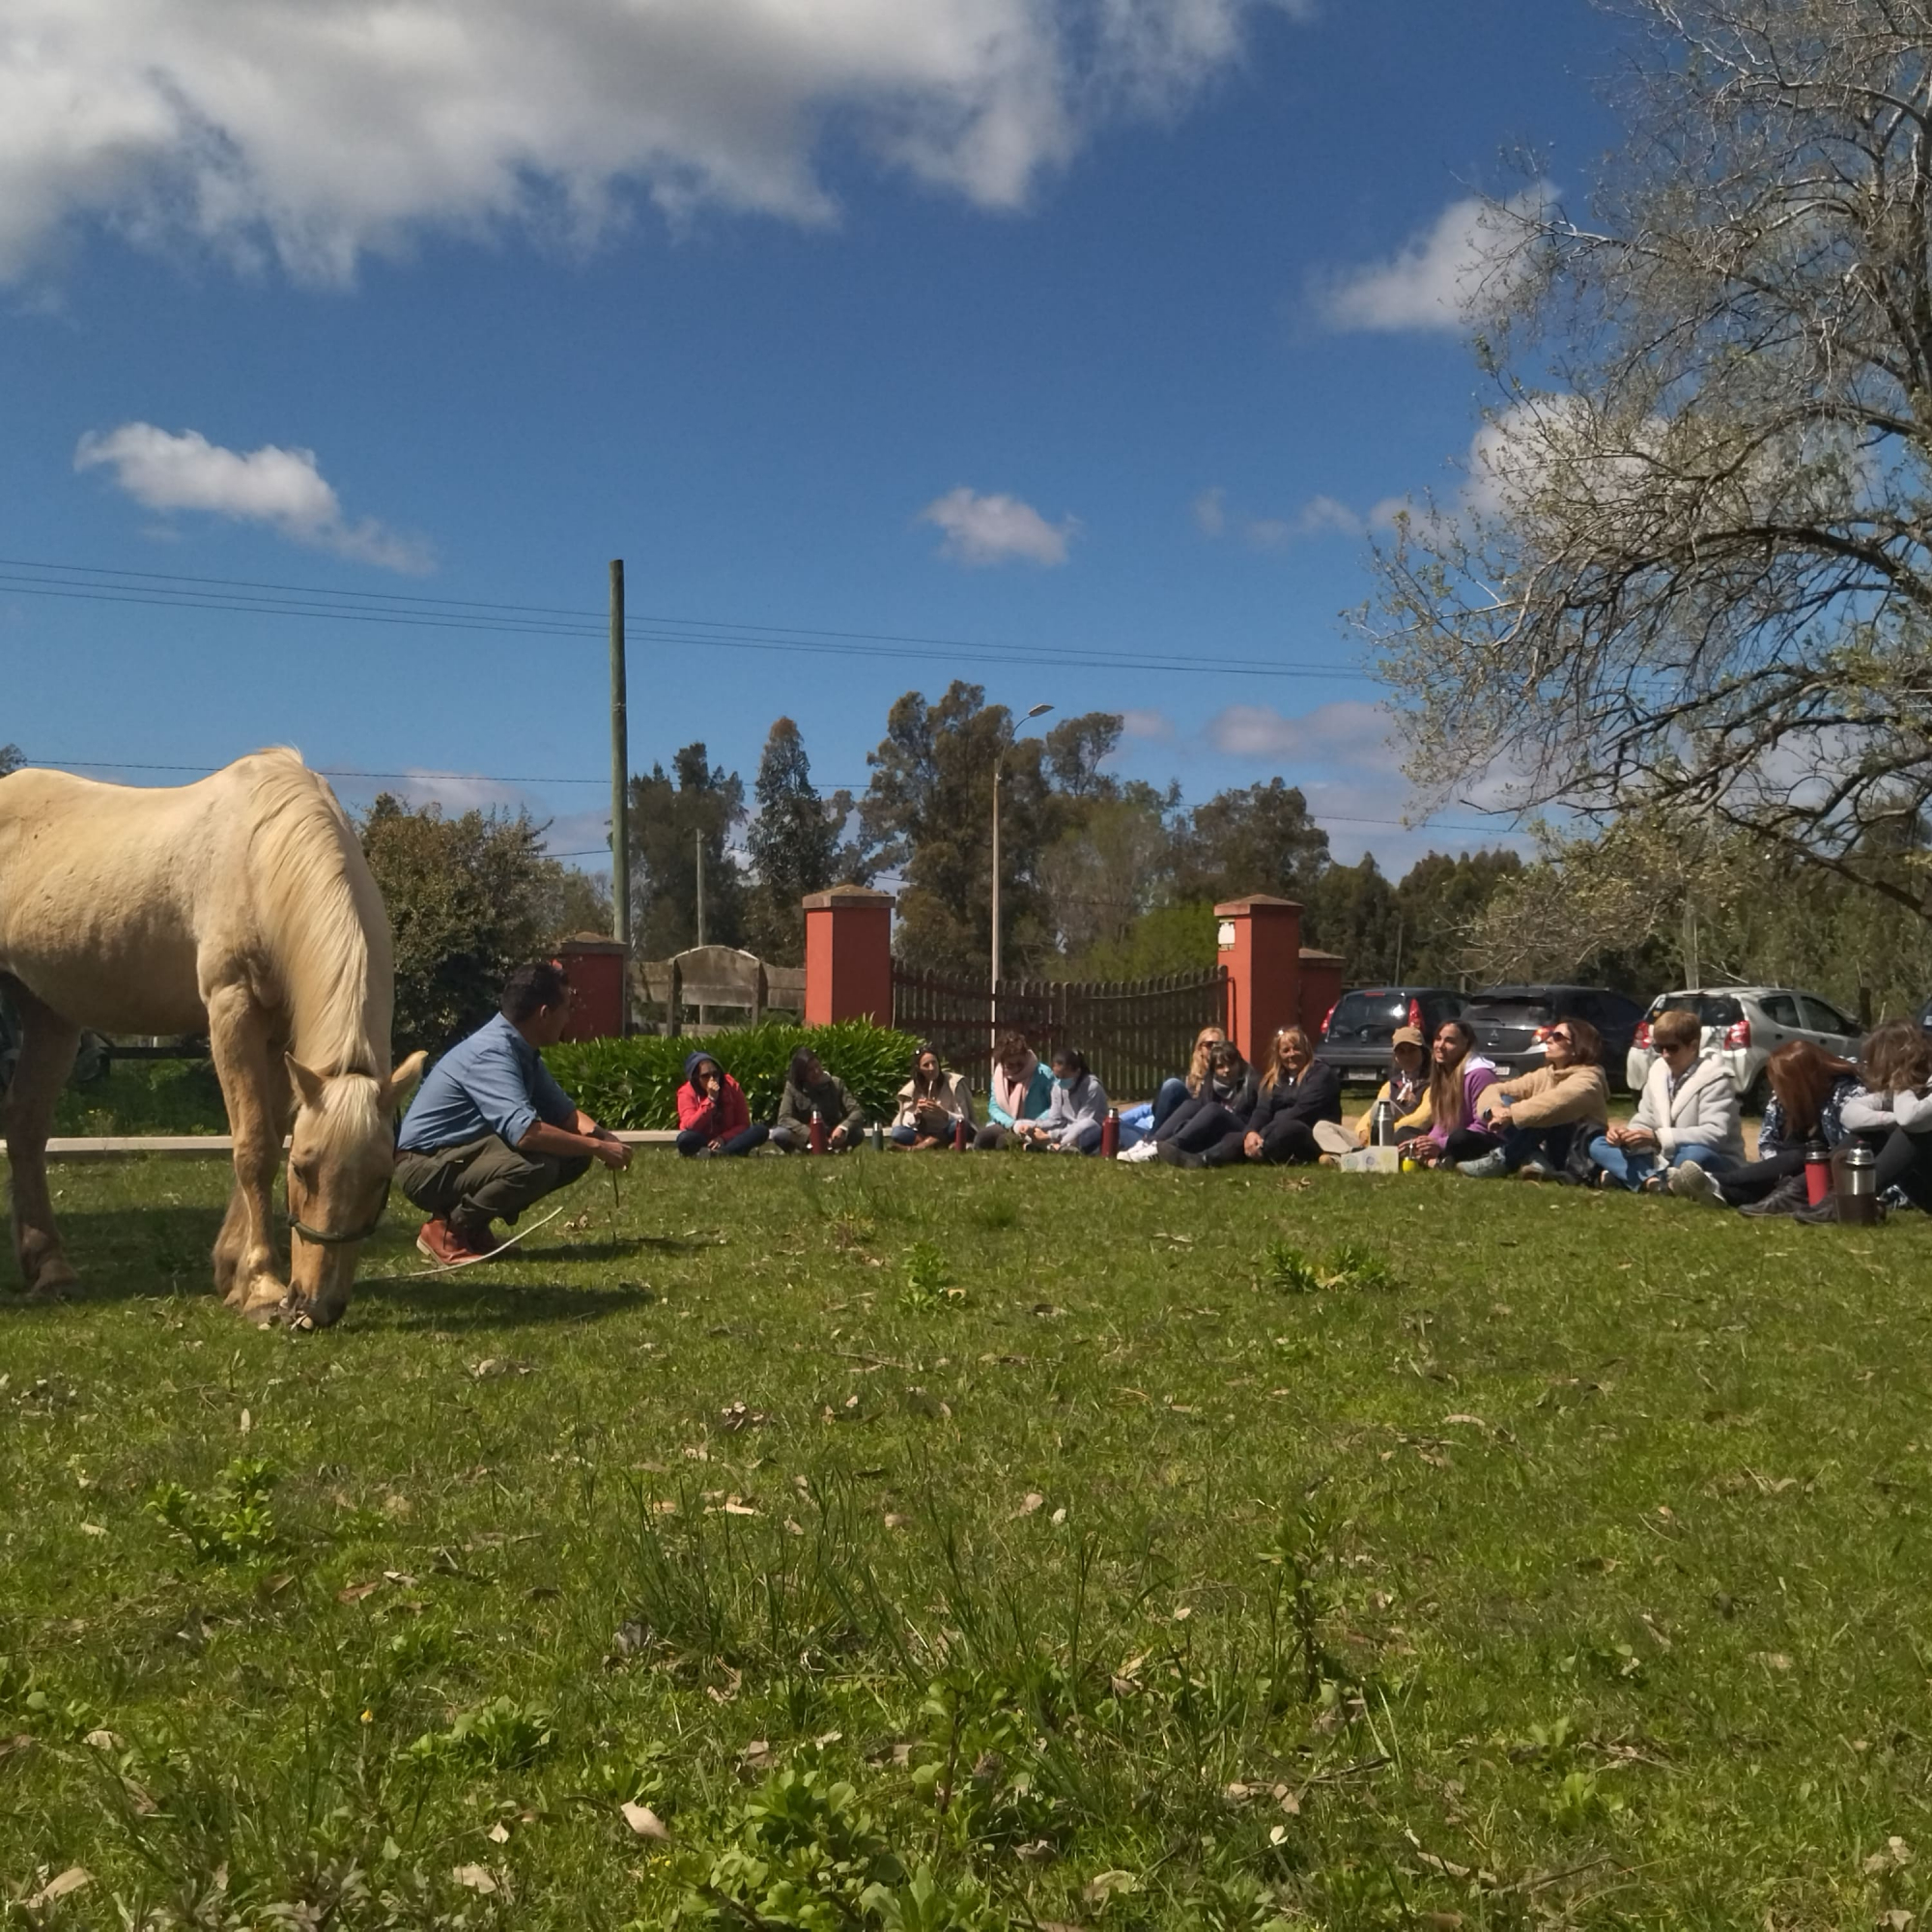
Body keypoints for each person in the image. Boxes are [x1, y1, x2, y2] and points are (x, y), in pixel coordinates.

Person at [395, 960, 631, 1265]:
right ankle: (448, 1231)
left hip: (453, 1157)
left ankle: (474, 1230)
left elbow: (564, 1114)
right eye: (567, 1008)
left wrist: (604, 1138)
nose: (570, 1017)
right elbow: (527, 1134)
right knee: (537, 1165)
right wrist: (598, 1147)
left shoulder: (521, 1049)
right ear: (545, 1014)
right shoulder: (491, 1053)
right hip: (422, 1167)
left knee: (574, 1155)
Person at [1689, 1038, 1861, 1213]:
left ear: (1799, 1082)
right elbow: (1769, 1142)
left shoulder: (1847, 1096)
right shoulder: (1784, 1101)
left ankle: (1716, 1180)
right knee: (1772, 1179)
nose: (1776, 1090)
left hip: (1828, 1178)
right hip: (1788, 1178)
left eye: (1780, 1084)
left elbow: (1849, 1150)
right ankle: (1720, 1192)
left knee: (1802, 1156)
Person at [1588, 1008, 1743, 1193]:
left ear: (1693, 1046)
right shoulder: (1657, 1072)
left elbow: (1715, 1133)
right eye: (1659, 1048)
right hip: (1664, 1156)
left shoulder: (1716, 1079)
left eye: (1672, 1048)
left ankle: (1633, 1176)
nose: (1665, 1054)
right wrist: (1625, 1135)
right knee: (1599, 1144)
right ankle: (1655, 1182)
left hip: (1713, 1156)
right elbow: (1646, 1117)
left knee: (1692, 1155)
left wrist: (1658, 1138)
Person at [1459, 1017, 1610, 1179]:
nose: (1549, 1039)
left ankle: (1504, 1160)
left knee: (1548, 1112)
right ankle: (1537, 1161)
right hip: (1552, 1148)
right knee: (1506, 1099)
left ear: (1577, 1047)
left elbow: (1557, 1101)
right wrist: (1495, 1109)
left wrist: (1510, 1114)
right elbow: (1495, 1089)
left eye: (1557, 1036)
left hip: (1576, 1156)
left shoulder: (1589, 1079)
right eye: (1550, 1034)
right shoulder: (1546, 1074)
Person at [1825, 1019, 1932, 1217]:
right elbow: (1850, 1112)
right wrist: (1890, 1119)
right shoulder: (1915, 1089)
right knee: (1875, 1131)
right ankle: (1819, 1195)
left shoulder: (1911, 1089)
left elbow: (1910, 1118)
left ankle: (1849, 1202)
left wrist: (1902, 1083)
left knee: (1911, 1133)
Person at [1126, 1039, 1256, 1166]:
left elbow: (1259, 1115)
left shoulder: (1252, 1082)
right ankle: (1151, 1142)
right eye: (1220, 1066)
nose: (1227, 1070)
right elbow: (1202, 1111)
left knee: (1213, 1108)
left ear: (1239, 1063)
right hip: (1216, 1129)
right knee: (1191, 1104)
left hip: (1242, 1128)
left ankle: (1168, 1147)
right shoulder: (1211, 1082)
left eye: (1231, 1064)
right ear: (1214, 1070)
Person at [1236, 1026, 1343, 1167]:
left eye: (1296, 1048)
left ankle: (1258, 1152)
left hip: (1312, 1134)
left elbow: (1303, 1110)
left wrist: (1264, 1133)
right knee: (1236, 1135)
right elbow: (1262, 1110)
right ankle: (1206, 1158)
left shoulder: (1321, 1073)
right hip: (1274, 1132)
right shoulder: (1274, 1079)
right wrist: (1251, 1133)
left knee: (1289, 1128)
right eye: (1285, 1050)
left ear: (1306, 1050)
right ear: (1279, 1054)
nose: (1291, 1054)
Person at [1401, 1019, 1500, 1168]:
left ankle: (1430, 1160)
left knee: (1459, 1138)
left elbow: (1484, 1125)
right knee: (1403, 1133)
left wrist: (1439, 1144)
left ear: (1465, 1044)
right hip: (1450, 1139)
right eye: (1438, 1039)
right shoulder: (1442, 1072)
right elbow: (1442, 1124)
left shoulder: (1480, 1074)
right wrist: (1425, 1142)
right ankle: (1433, 1161)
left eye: (1450, 1041)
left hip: (1483, 1139)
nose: (1440, 1046)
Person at [769, 1048, 866, 1152]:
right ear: (802, 1074)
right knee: (779, 1133)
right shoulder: (793, 1088)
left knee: (857, 1132)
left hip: (832, 1133)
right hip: (805, 1135)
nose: (816, 1071)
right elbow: (784, 1118)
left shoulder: (836, 1083)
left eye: (817, 1066)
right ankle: (802, 1150)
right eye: (810, 1070)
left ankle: (838, 1148)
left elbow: (857, 1111)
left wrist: (842, 1128)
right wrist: (811, 1134)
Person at [674, 1050, 768, 1158]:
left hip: (728, 1139)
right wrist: (710, 1100)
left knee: (760, 1131)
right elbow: (690, 1126)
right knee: (685, 1139)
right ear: (696, 1079)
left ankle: (720, 1153)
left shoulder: (731, 1086)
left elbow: (743, 1124)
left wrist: (723, 1138)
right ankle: (732, 1151)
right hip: (702, 1138)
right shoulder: (686, 1092)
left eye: (715, 1074)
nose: (712, 1080)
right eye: (705, 1076)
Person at [1015, 1046, 1108, 1153]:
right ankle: (1054, 1146)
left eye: (1064, 1076)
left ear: (1077, 1072)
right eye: (1057, 1076)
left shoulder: (1092, 1087)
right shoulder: (1057, 1087)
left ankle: (1049, 1145)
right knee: (1019, 1124)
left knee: (1084, 1126)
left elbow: (1083, 1122)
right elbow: (1055, 1120)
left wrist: (1050, 1135)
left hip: (1088, 1131)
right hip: (1063, 1129)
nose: (1060, 1080)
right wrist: (1034, 1127)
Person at [1351, 1025, 1430, 1147]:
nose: (1407, 1056)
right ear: (1395, 1056)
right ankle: (1343, 1155)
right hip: (1379, 1135)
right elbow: (1374, 1111)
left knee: (1384, 1106)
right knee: (1323, 1127)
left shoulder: (1432, 1083)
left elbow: (1424, 1118)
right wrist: (1363, 1131)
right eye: (1401, 1052)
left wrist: (1384, 1131)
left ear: (1423, 1053)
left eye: (1412, 1050)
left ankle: (1351, 1153)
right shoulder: (1390, 1085)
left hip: (1409, 1135)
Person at [976, 1032, 1055, 1149]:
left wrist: (1033, 1124)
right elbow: (994, 1107)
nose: (1017, 1068)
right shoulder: (998, 1076)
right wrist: (1012, 1124)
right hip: (1007, 1124)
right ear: (1001, 1062)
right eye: (1011, 1065)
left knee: (1003, 1143)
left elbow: (1055, 1107)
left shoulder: (1044, 1074)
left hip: (1034, 1126)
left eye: (1020, 1064)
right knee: (981, 1139)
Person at [891, 1042, 975, 1149]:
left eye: (934, 1063)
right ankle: (936, 1143)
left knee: (958, 1127)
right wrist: (917, 1113)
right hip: (925, 1132)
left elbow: (963, 1118)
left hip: (948, 1128)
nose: (932, 1068)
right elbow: (905, 1122)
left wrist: (943, 1113)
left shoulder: (953, 1084)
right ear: (919, 1069)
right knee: (898, 1133)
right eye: (926, 1065)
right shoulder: (913, 1088)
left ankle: (920, 1147)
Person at [1149, 1026, 1228, 1132]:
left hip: (1192, 1124)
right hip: (1170, 1120)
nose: (1213, 1049)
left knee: (1172, 1085)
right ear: (1200, 1049)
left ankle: (1151, 1139)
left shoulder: (1225, 1073)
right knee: (1122, 1124)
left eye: (1217, 1045)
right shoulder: (1192, 1077)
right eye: (1209, 1045)